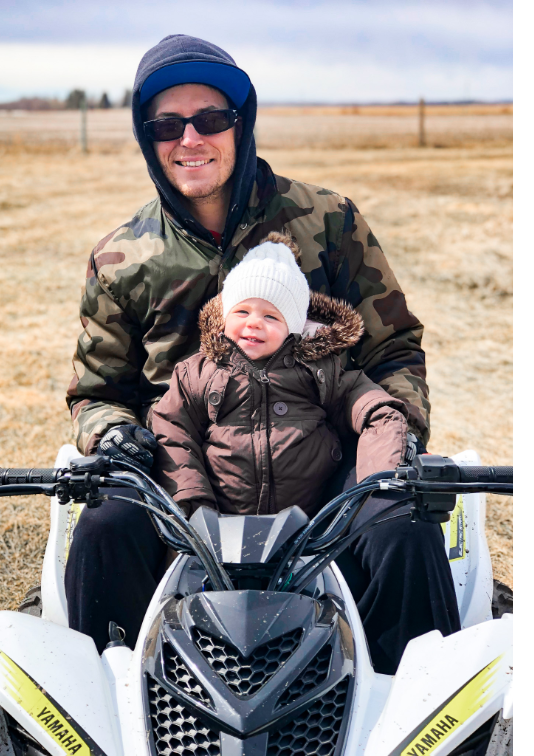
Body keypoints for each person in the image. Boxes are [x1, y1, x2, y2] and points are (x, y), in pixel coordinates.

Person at [63, 34, 459, 673]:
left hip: (327, 469)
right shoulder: (121, 258)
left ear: (240, 125)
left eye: (210, 119)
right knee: (106, 528)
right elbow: (98, 391)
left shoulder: (328, 220)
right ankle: (108, 702)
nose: (189, 138)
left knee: (402, 523)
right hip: (181, 472)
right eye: (167, 124)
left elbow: (395, 353)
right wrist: (116, 439)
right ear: (147, 137)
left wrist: (394, 439)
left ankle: (412, 705)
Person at [150, 232, 411, 517]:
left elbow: (375, 408)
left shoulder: (320, 371)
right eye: (241, 311)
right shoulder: (197, 374)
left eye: (271, 316)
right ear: (224, 317)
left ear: (295, 327)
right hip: (216, 522)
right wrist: (193, 502)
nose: (253, 323)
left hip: (313, 525)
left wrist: (378, 484)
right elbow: (173, 431)